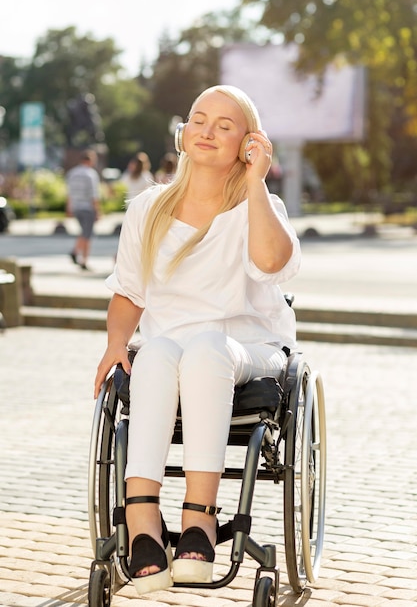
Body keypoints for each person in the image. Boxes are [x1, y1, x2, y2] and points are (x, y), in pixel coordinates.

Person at [94, 84, 301, 596]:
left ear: (248, 143)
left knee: (206, 348)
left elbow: (273, 264)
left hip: (247, 348)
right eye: (199, 119)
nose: (208, 131)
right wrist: (116, 342)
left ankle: (199, 520)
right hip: (171, 351)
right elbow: (128, 293)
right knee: (157, 351)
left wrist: (256, 182)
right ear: (183, 133)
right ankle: (142, 525)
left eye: (225, 126)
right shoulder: (148, 208)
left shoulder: (260, 204)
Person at [66, 149, 100, 270]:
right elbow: (93, 195)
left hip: (76, 207)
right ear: (90, 160)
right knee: (87, 234)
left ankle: (82, 260)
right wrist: (97, 210)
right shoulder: (90, 174)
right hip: (87, 208)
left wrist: (69, 207)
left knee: (85, 232)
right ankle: (78, 254)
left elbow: (69, 193)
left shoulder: (72, 173)